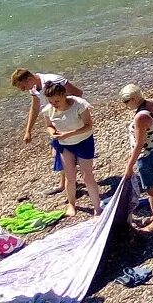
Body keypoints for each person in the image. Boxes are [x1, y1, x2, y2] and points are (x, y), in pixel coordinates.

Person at [41, 80, 101, 215]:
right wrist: (53, 133)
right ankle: (72, 205)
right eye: (50, 102)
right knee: (70, 176)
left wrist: (69, 133)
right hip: (65, 145)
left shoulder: (79, 104)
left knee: (87, 176)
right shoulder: (49, 110)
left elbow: (88, 126)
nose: (53, 105)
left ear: (64, 95)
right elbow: (49, 126)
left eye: (56, 101)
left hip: (83, 141)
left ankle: (97, 208)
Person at [119, 84, 153, 233]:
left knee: (151, 190)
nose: (125, 105)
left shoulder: (140, 117)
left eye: (126, 102)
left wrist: (129, 166)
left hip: (146, 156)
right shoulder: (151, 104)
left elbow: (139, 145)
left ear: (133, 99)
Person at [11, 68, 83, 145]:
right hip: (55, 120)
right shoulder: (33, 88)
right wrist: (28, 131)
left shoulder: (54, 81)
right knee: (59, 148)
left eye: (23, 87)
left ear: (29, 79)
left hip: (70, 119)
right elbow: (35, 108)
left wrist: (68, 111)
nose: (22, 90)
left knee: (76, 143)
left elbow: (78, 93)